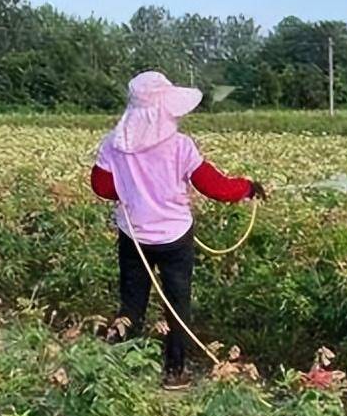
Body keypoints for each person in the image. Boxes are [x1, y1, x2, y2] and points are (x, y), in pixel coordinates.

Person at [89, 71, 265, 389]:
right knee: (177, 303)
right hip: (174, 237)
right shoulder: (180, 145)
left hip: (134, 235)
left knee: (132, 303)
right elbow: (216, 186)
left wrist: (134, 191)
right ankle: (174, 371)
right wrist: (248, 187)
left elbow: (101, 186)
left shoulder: (114, 144)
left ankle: (120, 367)